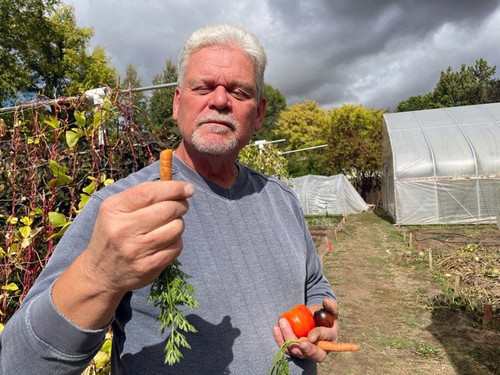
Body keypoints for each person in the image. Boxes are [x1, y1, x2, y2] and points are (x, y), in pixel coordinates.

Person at [0, 23, 339, 374]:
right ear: (177, 103)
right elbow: (19, 363)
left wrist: (320, 314)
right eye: (203, 87)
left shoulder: (281, 199)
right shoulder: (123, 208)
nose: (220, 100)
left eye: (239, 92)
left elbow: (314, 282)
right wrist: (97, 274)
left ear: (259, 113)